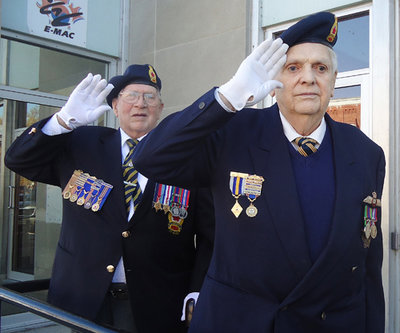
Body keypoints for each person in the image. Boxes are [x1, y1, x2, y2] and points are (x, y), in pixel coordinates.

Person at [131, 12, 385, 333]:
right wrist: (228, 97)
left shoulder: (366, 153)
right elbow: (150, 158)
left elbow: (368, 266)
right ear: (274, 84)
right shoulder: (234, 132)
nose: (308, 78)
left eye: (320, 68)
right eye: (293, 68)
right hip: (242, 323)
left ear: (334, 83)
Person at [4, 64, 215, 333]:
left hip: (158, 301)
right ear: (115, 106)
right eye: (131, 95)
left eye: (150, 97)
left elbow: (210, 235)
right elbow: (17, 160)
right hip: (83, 295)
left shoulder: (189, 156)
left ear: (160, 108)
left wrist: (197, 290)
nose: (141, 103)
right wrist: (63, 120)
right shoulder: (82, 143)